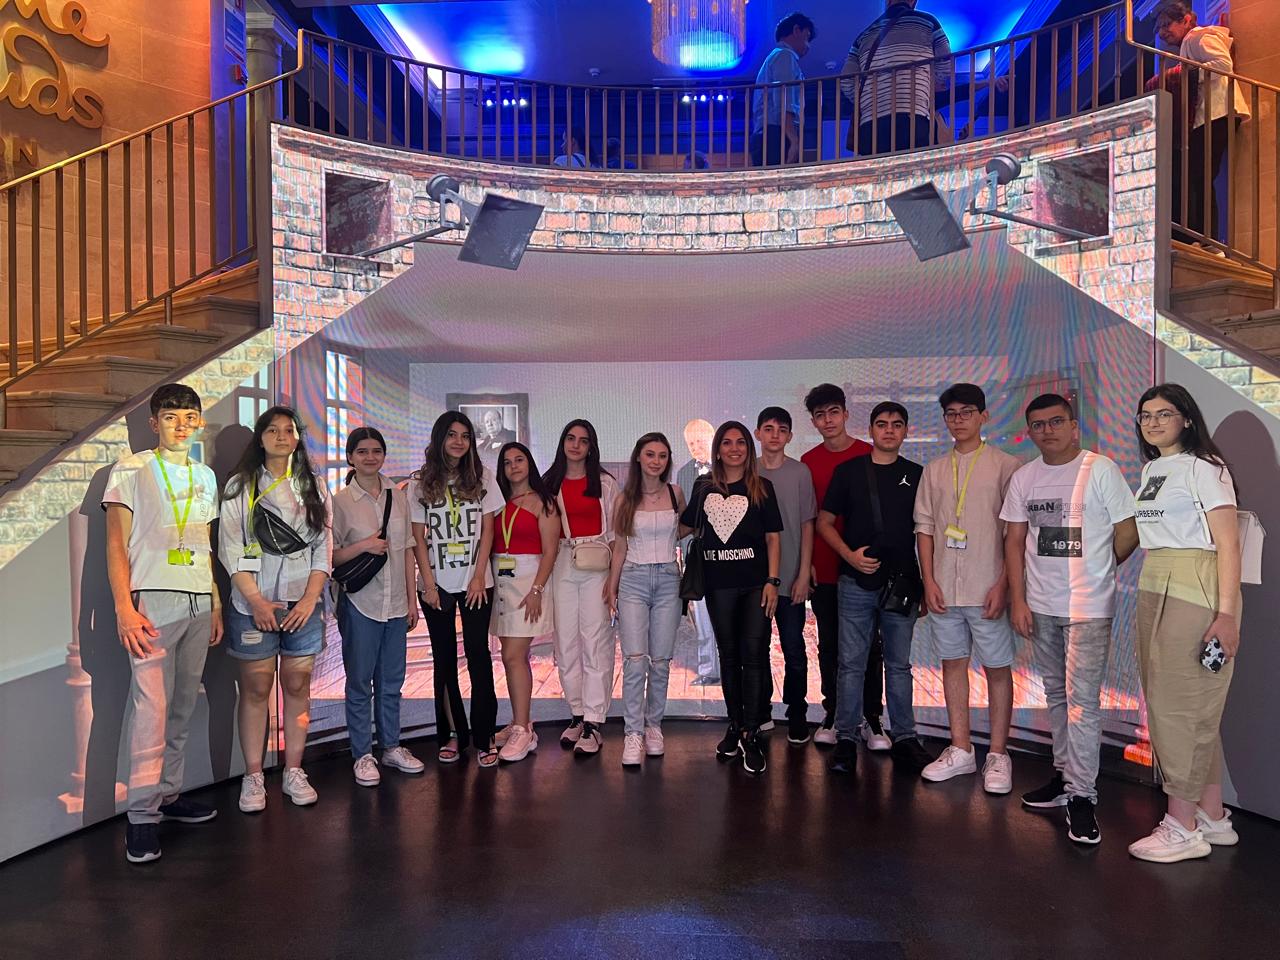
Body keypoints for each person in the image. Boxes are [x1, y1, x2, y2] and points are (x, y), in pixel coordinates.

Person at [1001, 394, 1139, 845]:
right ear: (1029, 431)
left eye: (1056, 421)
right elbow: (1015, 541)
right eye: (1038, 424)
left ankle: (1083, 794)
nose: (1048, 430)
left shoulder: (1100, 469)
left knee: (1083, 703)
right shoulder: (1025, 477)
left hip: (1087, 609)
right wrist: (1019, 600)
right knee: (1057, 695)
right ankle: (1064, 777)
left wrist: (1099, 570)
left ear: (1074, 426)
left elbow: (1128, 530)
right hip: (1041, 605)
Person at [103, 383, 222, 863]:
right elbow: (115, 543)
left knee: (182, 706)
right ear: (154, 423)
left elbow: (204, 544)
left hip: (198, 600)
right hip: (152, 600)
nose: (181, 425)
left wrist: (215, 601)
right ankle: (141, 816)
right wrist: (123, 608)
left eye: (189, 417)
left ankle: (168, 794)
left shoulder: (205, 476)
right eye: (171, 417)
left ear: (199, 423)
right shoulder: (131, 469)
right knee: (151, 710)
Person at [1127, 384, 1242, 863]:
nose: (1152, 423)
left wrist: (1227, 614)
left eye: (1164, 414)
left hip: (1195, 583)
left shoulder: (1206, 467)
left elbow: (1228, 543)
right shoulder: (1152, 468)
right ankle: (1211, 815)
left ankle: (1182, 826)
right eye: (1145, 415)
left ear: (1187, 419)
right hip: (1156, 578)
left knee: (1180, 704)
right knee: (1175, 701)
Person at [219, 406, 331, 813]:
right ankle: (253, 775)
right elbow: (230, 549)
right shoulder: (240, 486)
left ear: (298, 437)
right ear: (260, 438)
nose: (282, 437)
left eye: (289, 430)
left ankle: (294, 770)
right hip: (252, 606)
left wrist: (310, 599)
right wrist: (256, 601)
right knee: (255, 689)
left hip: (303, 605)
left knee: (298, 686)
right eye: (273, 430)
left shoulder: (315, 486)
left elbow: (323, 547)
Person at [915, 383, 1021, 794]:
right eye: (951, 414)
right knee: (952, 665)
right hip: (944, 587)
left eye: (966, 412)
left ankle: (998, 753)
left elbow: (1015, 533)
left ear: (984, 416)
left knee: (997, 669)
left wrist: (1004, 584)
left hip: (987, 586)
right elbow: (925, 529)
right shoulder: (935, 469)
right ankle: (960, 748)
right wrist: (928, 580)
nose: (958, 420)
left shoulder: (1006, 466)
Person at [817, 402, 933, 776]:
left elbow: (926, 531)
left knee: (899, 665)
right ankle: (846, 739)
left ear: (906, 431)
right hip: (856, 582)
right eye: (882, 424)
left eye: (897, 424)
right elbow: (823, 522)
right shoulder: (849, 471)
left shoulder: (917, 475)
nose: (889, 430)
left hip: (902, 584)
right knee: (851, 664)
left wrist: (927, 583)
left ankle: (905, 738)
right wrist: (849, 556)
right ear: (870, 430)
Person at [680, 421, 783, 776]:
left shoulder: (762, 487)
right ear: (718, 449)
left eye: (741, 442)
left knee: (753, 657)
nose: (735, 448)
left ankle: (751, 732)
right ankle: (735, 726)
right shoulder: (703, 486)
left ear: (748, 449)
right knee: (729, 656)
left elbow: (773, 538)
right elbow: (684, 526)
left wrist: (772, 581)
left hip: (756, 586)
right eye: (727, 443)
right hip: (718, 586)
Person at [411, 412, 506, 768]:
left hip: (476, 583)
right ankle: (452, 734)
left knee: (479, 656)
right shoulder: (421, 482)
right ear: (440, 438)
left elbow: (489, 531)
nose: (459, 442)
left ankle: (485, 736)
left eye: (465, 436)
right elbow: (417, 538)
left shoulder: (483, 476)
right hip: (436, 585)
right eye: (452, 435)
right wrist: (428, 584)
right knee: (444, 660)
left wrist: (479, 576)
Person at [331, 427, 424, 787]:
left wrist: (412, 600)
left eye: (376, 451)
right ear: (350, 458)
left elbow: (407, 550)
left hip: (396, 602)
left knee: (391, 681)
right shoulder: (340, 501)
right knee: (359, 681)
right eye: (362, 451)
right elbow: (330, 557)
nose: (370, 457)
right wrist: (364, 546)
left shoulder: (397, 496)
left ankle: (391, 747)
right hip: (360, 602)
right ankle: (362, 754)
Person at [606, 433, 690, 767]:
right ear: (638, 457)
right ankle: (632, 733)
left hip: (669, 579)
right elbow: (620, 547)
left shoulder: (676, 493)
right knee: (634, 659)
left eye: (662, 455)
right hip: (633, 579)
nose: (656, 461)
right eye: (650, 454)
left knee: (661, 660)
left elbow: (684, 529)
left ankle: (654, 727)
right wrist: (611, 587)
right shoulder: (624, 498)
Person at [800, 384, 873, 746]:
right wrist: (809, 562)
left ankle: (870, 717)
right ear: (813, 422)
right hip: (825, 566)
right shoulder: (808, 462)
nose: (827, 420)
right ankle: (833, 713)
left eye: (833, 412)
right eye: (820, 415)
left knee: (868, 646)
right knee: (829, 645)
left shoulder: (869, 454)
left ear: (845, 414)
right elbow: (808, 519)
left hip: (864, 566)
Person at [543, 419, 620, 756]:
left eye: (583, 440)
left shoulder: (605, 483)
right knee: (566, 644)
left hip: (596, 564)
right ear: (563, 442)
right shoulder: (549, 483)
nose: (576, 445)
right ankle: (576, 714)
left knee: (595, 641)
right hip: (561, 562)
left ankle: (594, 721)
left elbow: (617, 535)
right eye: (571, 438)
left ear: (591, 447)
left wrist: (614, 582)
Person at [1149, 1, 1250, 248]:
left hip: (1216, 113)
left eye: (1167, 24)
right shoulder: (1190, 43)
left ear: (1185, 20)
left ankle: (1207, 240)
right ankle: (1202, 238)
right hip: (1211, 115)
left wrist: (1186, 74)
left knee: (1199, 176)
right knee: (1197, 176)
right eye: (1159, 28)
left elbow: (1223, 65)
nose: (1163, 32)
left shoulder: (1197, 37)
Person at [491, 442, 560, 763]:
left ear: (529, 463)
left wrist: (537, 590)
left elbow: (551, 551)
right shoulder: (497, 501)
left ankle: (522, 730)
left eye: (519, 460)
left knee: (514, 655)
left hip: (528, 582)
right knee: (510, 657)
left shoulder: (544, 503)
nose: (513, 466)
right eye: (507, 462)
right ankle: (521, 722)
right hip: (500, 583)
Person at [754, 407, 817, 744]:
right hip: (756, 579)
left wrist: (804, 572)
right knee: (757, 649)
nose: (775, 434)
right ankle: (761, 710)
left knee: (793, 648)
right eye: (768, 428)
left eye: (782, 429)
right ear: (757, 434)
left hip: (792, 575)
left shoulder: (800, 472)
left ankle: (797, 712)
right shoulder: (747, 471)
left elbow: (808, 524)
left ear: (790, 436)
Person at [840, 0, 951, 156]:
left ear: (887, 1)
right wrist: (929, 85)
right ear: (913, 1)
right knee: (912, 168)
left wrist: (866, 98)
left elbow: (846, 80)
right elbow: (946, 62)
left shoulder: (864, 35)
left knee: (878, 169)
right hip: (912, 112)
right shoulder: (927, 22)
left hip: (870, 122)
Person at [677, 418, 720, 686]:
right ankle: (708, 670)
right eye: (690, 443)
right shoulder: (683, 473)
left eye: (700, 440)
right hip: (697, 557)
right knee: (702, 617)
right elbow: (682, 517)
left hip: (727, 556)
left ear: (712, 438)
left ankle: (731, 668)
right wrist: (683, 555)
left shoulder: (729, 467)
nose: (695, 447)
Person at [750, 12, 816, 167]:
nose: (808, 45)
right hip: (776, 134)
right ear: (796, 30)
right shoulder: (785, 55)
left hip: (766, 134)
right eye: (807, 37)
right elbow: (784, 99)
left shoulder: (774, 57)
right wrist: (793, 139)